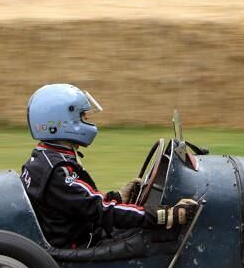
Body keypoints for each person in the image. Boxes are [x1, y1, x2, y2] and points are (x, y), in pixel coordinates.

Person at [20, 83, 198, 250]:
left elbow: (80, 203)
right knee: (155, 240)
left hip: (79, 232)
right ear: (61, 121)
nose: (87, 120)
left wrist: (118, 197)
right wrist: (163, 215)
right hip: (83, 244)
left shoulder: (45, 157)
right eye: (82, 116)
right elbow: (101, 210)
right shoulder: (59, 171)